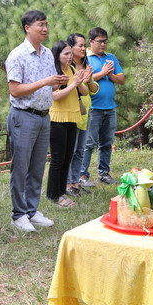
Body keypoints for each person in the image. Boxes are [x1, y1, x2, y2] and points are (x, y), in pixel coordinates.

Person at [5, 10, 68, 232]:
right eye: (40, 24)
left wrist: (60, 81)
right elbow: (15, 89)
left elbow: (51, 85)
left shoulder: (49, 54)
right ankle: (18, 214)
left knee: (37, 166)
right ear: (27, 28)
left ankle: (32, 210)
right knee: (20, 167)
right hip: (24, 116)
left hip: (44, 116)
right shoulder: (17, 55)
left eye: (46, 24)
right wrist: (45, 82)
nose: (45, 29)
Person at [47, 40, 93, 207]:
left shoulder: (73, 69)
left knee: (68, 158)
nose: (69, 57)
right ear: (57, 55)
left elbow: (85, 91)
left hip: (73, 118)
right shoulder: (54, 72)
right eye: (65, 54)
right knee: (58, 159)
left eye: (70, 54)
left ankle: (61, 192)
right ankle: (54, 194)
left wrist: (81, 81)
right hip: (57, 119)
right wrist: (73, 84)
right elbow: (55, 96)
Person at [79, 26, 125, 187]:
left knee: (106, 143)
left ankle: (103, 173)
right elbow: (83, 80)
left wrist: (110, 74)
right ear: (90, 41)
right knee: (89, 143)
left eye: (105, 41)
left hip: (110, 107)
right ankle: (82, 175)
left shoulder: (111, 58)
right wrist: (103, 73)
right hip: (93, 108)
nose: (103, 45)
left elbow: (122, 79)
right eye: (100, 41)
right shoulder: (85, 58)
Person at [65, 32, 98, 197]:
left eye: (84, 45)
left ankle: (76, 183)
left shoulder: (87, 65)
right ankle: (67, 184)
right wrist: (81, 81)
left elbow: (93, 90)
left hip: (86, 113)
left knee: (80, 150)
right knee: (69, 150)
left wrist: (90, 79)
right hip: (70, 112)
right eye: (80, 45)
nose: (84, 48)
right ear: (70, 47)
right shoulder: (65, 66)